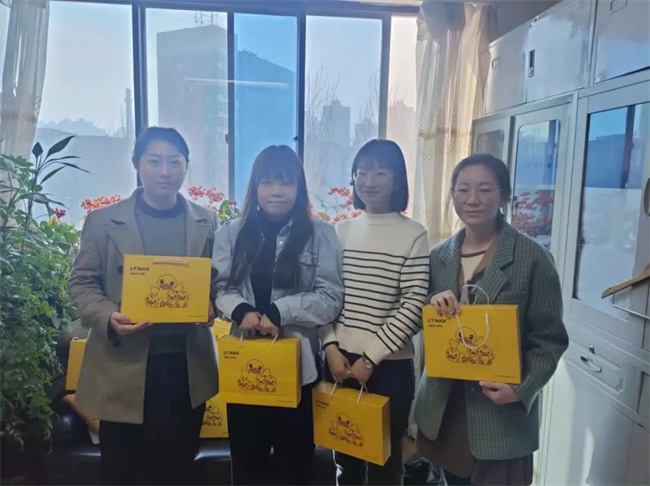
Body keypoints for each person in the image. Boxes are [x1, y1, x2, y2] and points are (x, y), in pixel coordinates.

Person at [68, 127, 219, 485]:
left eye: (174, 162)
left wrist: (213, 303)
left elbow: (219, 280)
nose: (165, 171)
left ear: (186, 166)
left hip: (185, 366)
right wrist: (108, 315)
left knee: (178, 467)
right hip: (123, 366)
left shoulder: (207, 221)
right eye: (154, 161)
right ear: (137, 164)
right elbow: (81, 282)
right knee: (122, 469)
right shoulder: (104, 221)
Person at [413, 153, 569, 486]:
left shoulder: (533, 259)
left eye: (485, 190)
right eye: (463, 190)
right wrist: (431, 303)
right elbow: (421, 320)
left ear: (504, 196)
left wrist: (521, 388)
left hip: (500, 413)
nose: (472, 199)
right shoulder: (438, 257)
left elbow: (550, 339)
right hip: (446, 408)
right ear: (452, 195)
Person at [212, 145, 344, 485]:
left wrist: (278, 311)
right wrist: (241, 310)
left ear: (299, 187)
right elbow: (219, 287)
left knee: (295, 469)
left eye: (286, 182)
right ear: (255, 186)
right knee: (246, 470)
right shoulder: (230, 233)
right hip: (244, 369)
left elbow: (330, 298)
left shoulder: (321, 234)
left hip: (298, 371)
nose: (276, 191)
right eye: (267, 182)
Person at [319, 139, 430, 485]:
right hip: (339, 361)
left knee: (385, 464)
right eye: (362, 172)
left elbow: (414, 304)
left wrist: (370, 358)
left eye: (381, 172)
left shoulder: (414, 234)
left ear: (397, 179)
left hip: (388, 366)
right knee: (345, 460)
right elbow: (326, 295)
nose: (369, 180)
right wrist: (329, 347)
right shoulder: (342, 231)